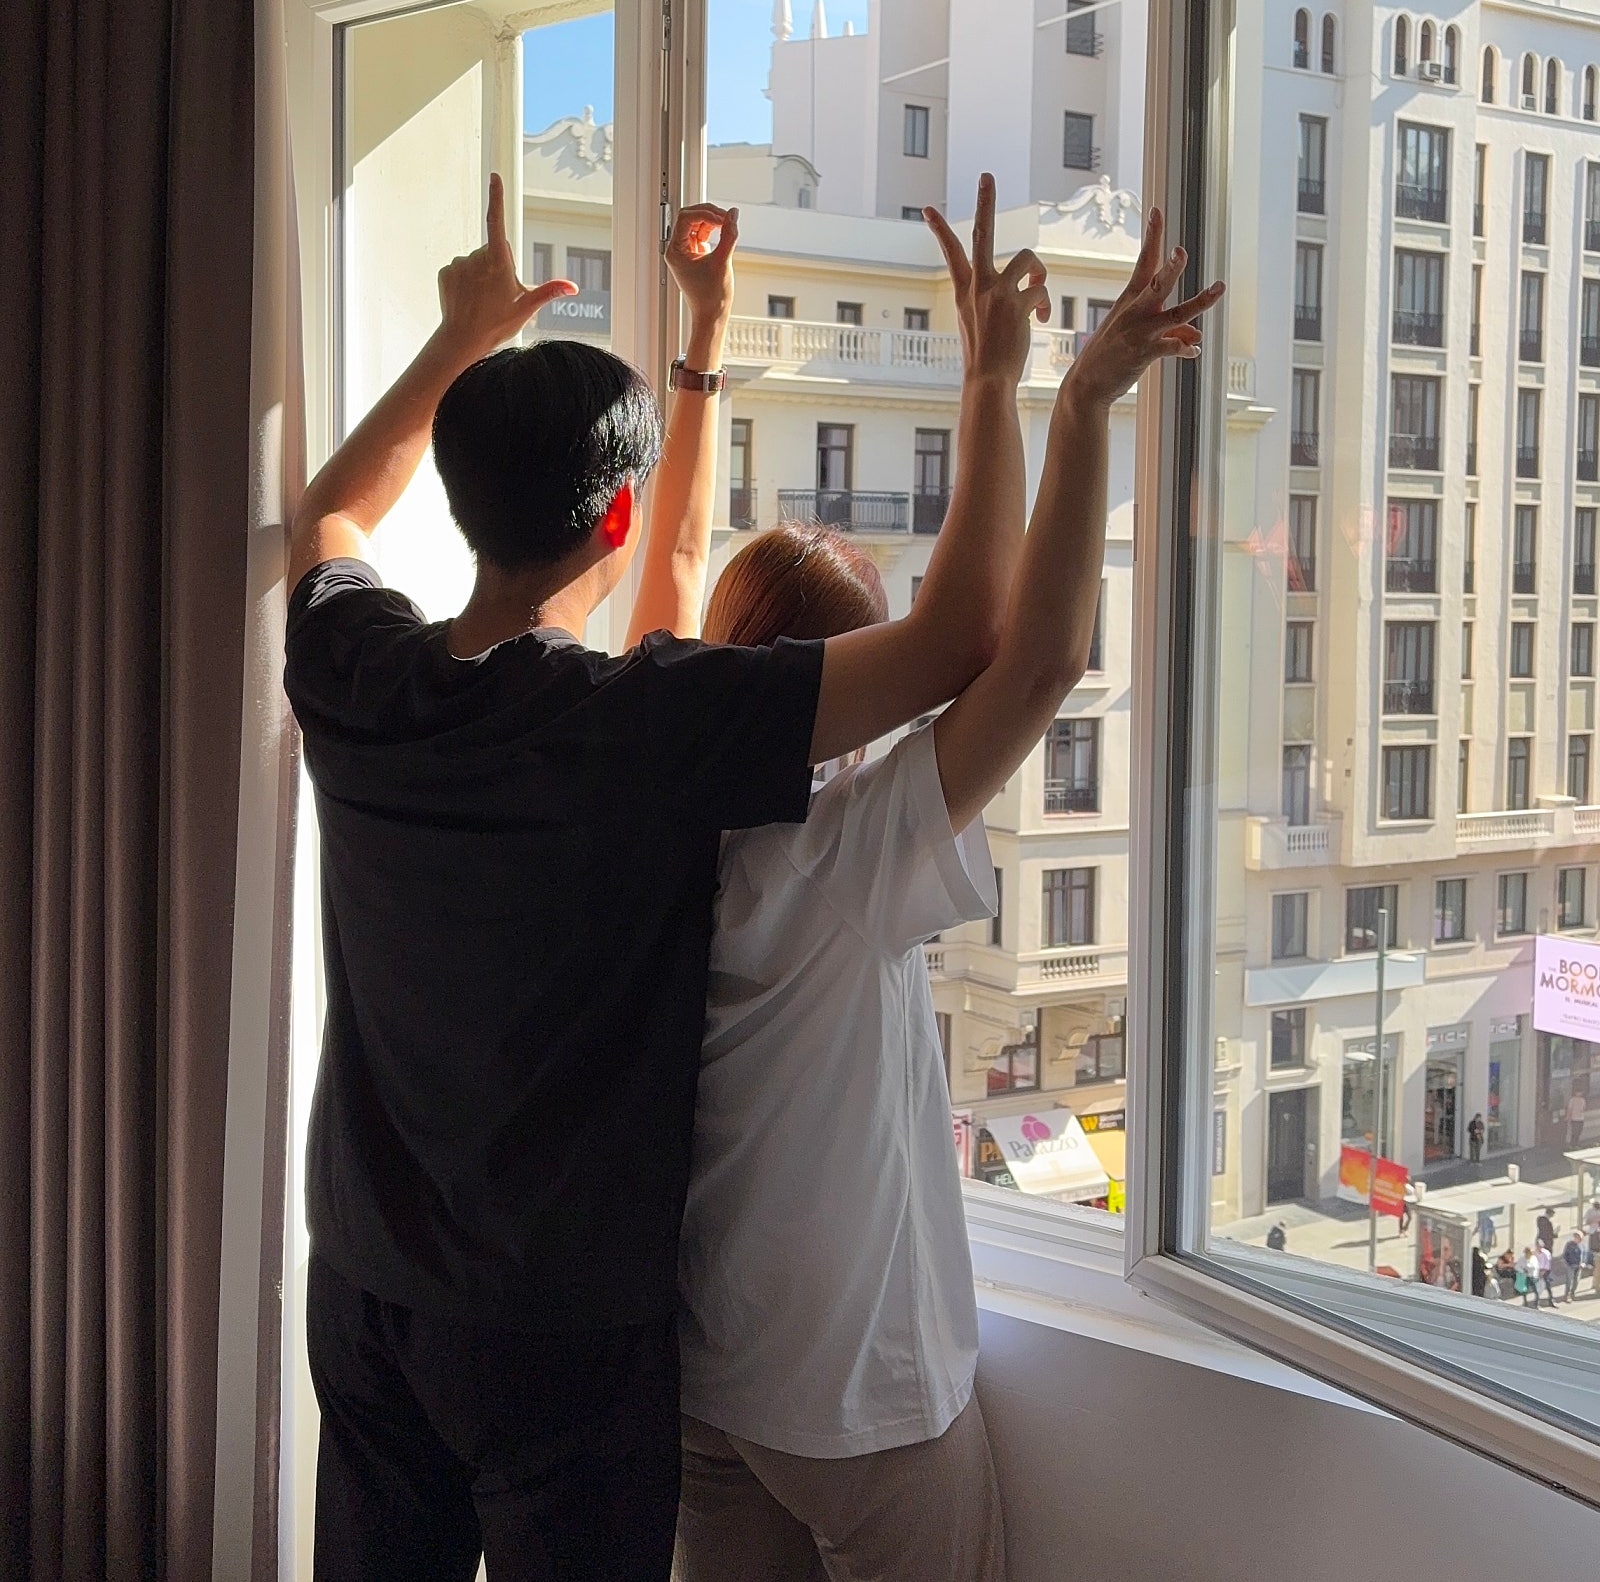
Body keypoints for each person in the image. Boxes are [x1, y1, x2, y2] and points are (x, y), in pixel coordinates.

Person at [284, 178, 1033, 1582]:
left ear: (460, 497)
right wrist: (995, 375)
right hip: (560, 1335)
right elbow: (958, 639)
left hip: (367, 1283)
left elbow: (330, 509)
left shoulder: (358, 669)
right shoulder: (631, 730)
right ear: (613, 516)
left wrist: (464, 337)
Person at [665, 190, 1219, 1582]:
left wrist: (704, 343)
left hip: (702, 1377)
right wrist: (1063, 400)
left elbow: (669, 574)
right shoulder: (834, 843)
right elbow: (1033, 663)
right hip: (853, 1400)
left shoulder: (646, 800)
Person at [1561, 1229, 1585, 1301]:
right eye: (1578, 1238)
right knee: (1569, 1281)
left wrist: (1583, 1262)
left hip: (1579, 1266)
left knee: (1576, 1281)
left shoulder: (1582, 1245)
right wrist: (1566, 1263)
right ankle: (1567, 1296)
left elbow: (1584, 1255)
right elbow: (1565, 1255)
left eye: (1581, 1238)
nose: (1579, 1239)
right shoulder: (1569, 1245)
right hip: (1570, 1266)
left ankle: (1572, 1293)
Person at [1532, 1238, 1556, 1307]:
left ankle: (1551, 1300)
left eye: (1540, 1246)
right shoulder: (1533, 1253)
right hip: (1536, 1271)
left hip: (1545, 1271)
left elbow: (1547, 1263)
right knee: (1537, 1287)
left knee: (1548, 1285)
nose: (1539, 1248)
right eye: (1538, 1246)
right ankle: (1536, 1303)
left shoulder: (1546, 1253)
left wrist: (1543, 1271)